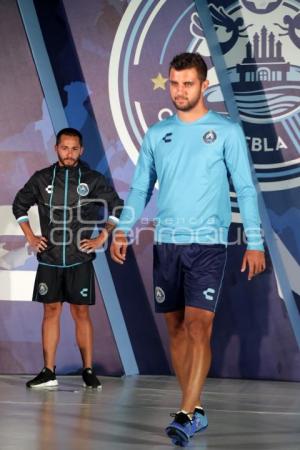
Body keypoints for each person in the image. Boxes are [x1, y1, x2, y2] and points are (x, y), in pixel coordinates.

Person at [110, 53, 266, 446]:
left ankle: (185, 412)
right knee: (177, 330)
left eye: (188, 84)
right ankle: (193, 408)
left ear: (203, 85)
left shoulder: (226, 131)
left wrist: (255, 241)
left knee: (199, 327)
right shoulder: (156, 133)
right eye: (174, 83)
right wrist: (123, 228)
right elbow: (141, 187)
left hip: (210, 245)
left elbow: (245, 188)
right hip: (167, 246)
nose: (179, 91)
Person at [13, 128, 123, 389]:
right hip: (49, 258)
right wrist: (30, 236)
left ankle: (87, 370)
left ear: (81, 150)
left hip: (79, 259)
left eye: (75, 149)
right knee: (51, 311)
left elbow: (117, 206)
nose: (70, 153)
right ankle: (48, 372)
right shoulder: (41, 179)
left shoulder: (93, 179)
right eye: (65, 148)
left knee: (80, 313)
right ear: (57, 148)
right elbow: (19, 205)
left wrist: (102, 237)